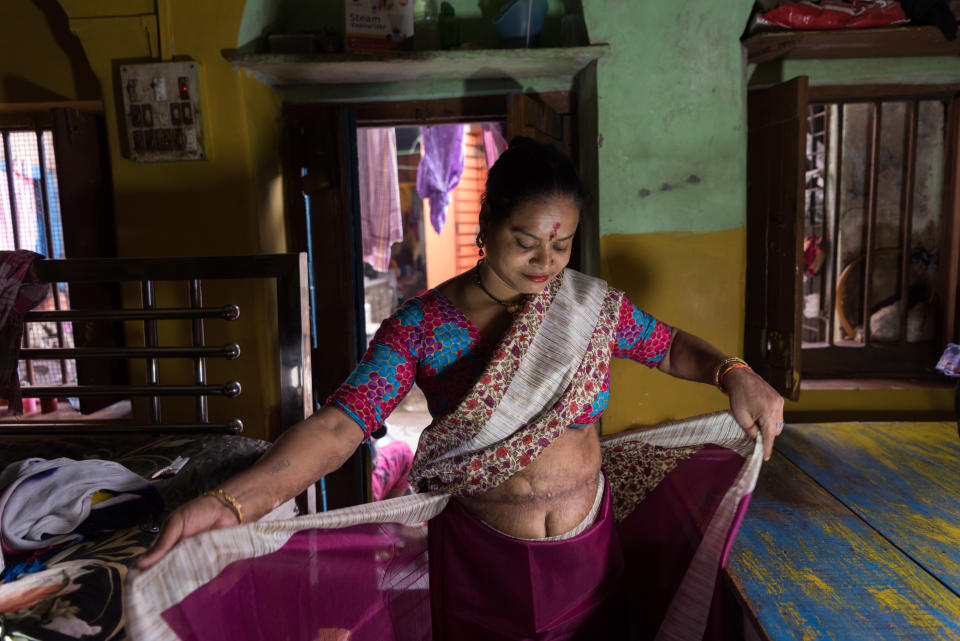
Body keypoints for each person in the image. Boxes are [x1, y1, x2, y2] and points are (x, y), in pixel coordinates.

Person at [132, 137, 783, 641]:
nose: (545, 263)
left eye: (562, 246)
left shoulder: (588, 307)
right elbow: (341, 424)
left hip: (588, 552)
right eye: (525, 241)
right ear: (488, 219)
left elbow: (666, 345)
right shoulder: (424, 326)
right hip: (481, 561)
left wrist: (735, 373)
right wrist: (234, 500)